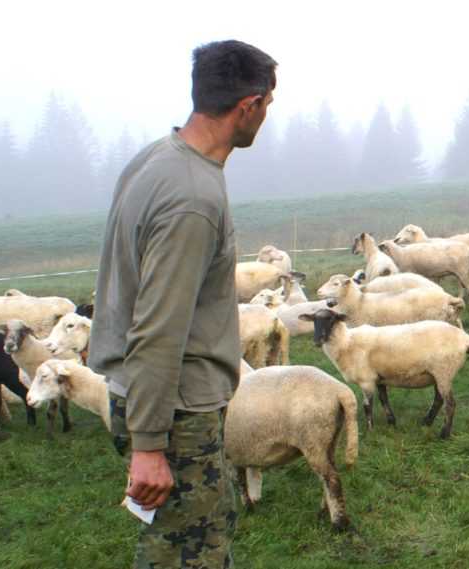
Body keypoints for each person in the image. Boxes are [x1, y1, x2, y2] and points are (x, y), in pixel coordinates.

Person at [89, 39, 276, 568]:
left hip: (145, 393)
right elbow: (159, 325)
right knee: (193, 551)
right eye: (267, 107)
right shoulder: (193, 197)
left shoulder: (156, 160)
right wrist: (150, 445)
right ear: (249, 106)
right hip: (176, 408)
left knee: (181, 537)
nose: (265, 118)